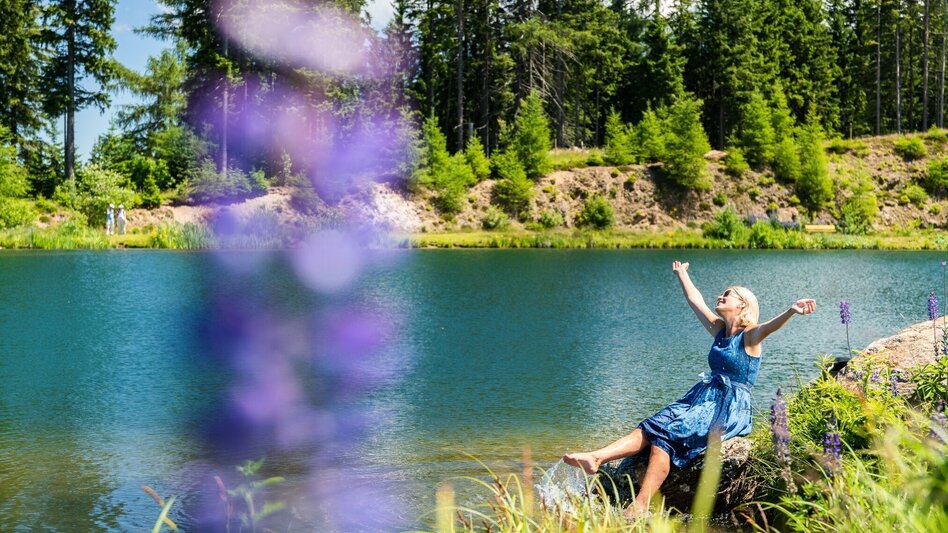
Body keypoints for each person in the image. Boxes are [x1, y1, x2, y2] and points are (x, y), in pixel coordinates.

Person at [563, 260, 815, 519]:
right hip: (702, 397)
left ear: (742, 305)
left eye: (727, 294)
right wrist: (682, 273)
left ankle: (640, 505)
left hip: (728, 407)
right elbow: (695, 300)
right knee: (652, 426)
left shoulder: (750, 336)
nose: (720, 295)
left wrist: (790, 311)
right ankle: (597, 457)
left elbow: (768, 327)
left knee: (669, 436)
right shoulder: (719, 330)